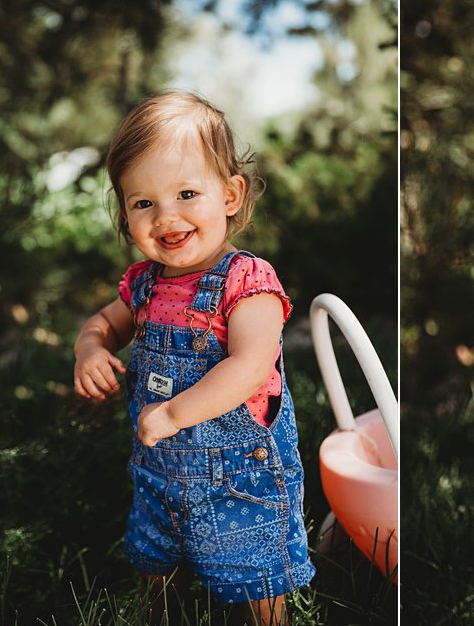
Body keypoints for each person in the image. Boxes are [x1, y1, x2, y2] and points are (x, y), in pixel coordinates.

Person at [72, 91, 313, 624]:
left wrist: (176, 413)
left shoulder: (247, 284)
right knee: (155, 554)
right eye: (143, 203)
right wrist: (89, 348)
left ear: (230, 195)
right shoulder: (144, 284)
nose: (166, 217)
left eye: (186, 193)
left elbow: (249, 365)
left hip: (237, 477)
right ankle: (161, 610)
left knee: (255, 569)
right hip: (159, 471)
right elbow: (104, 325)